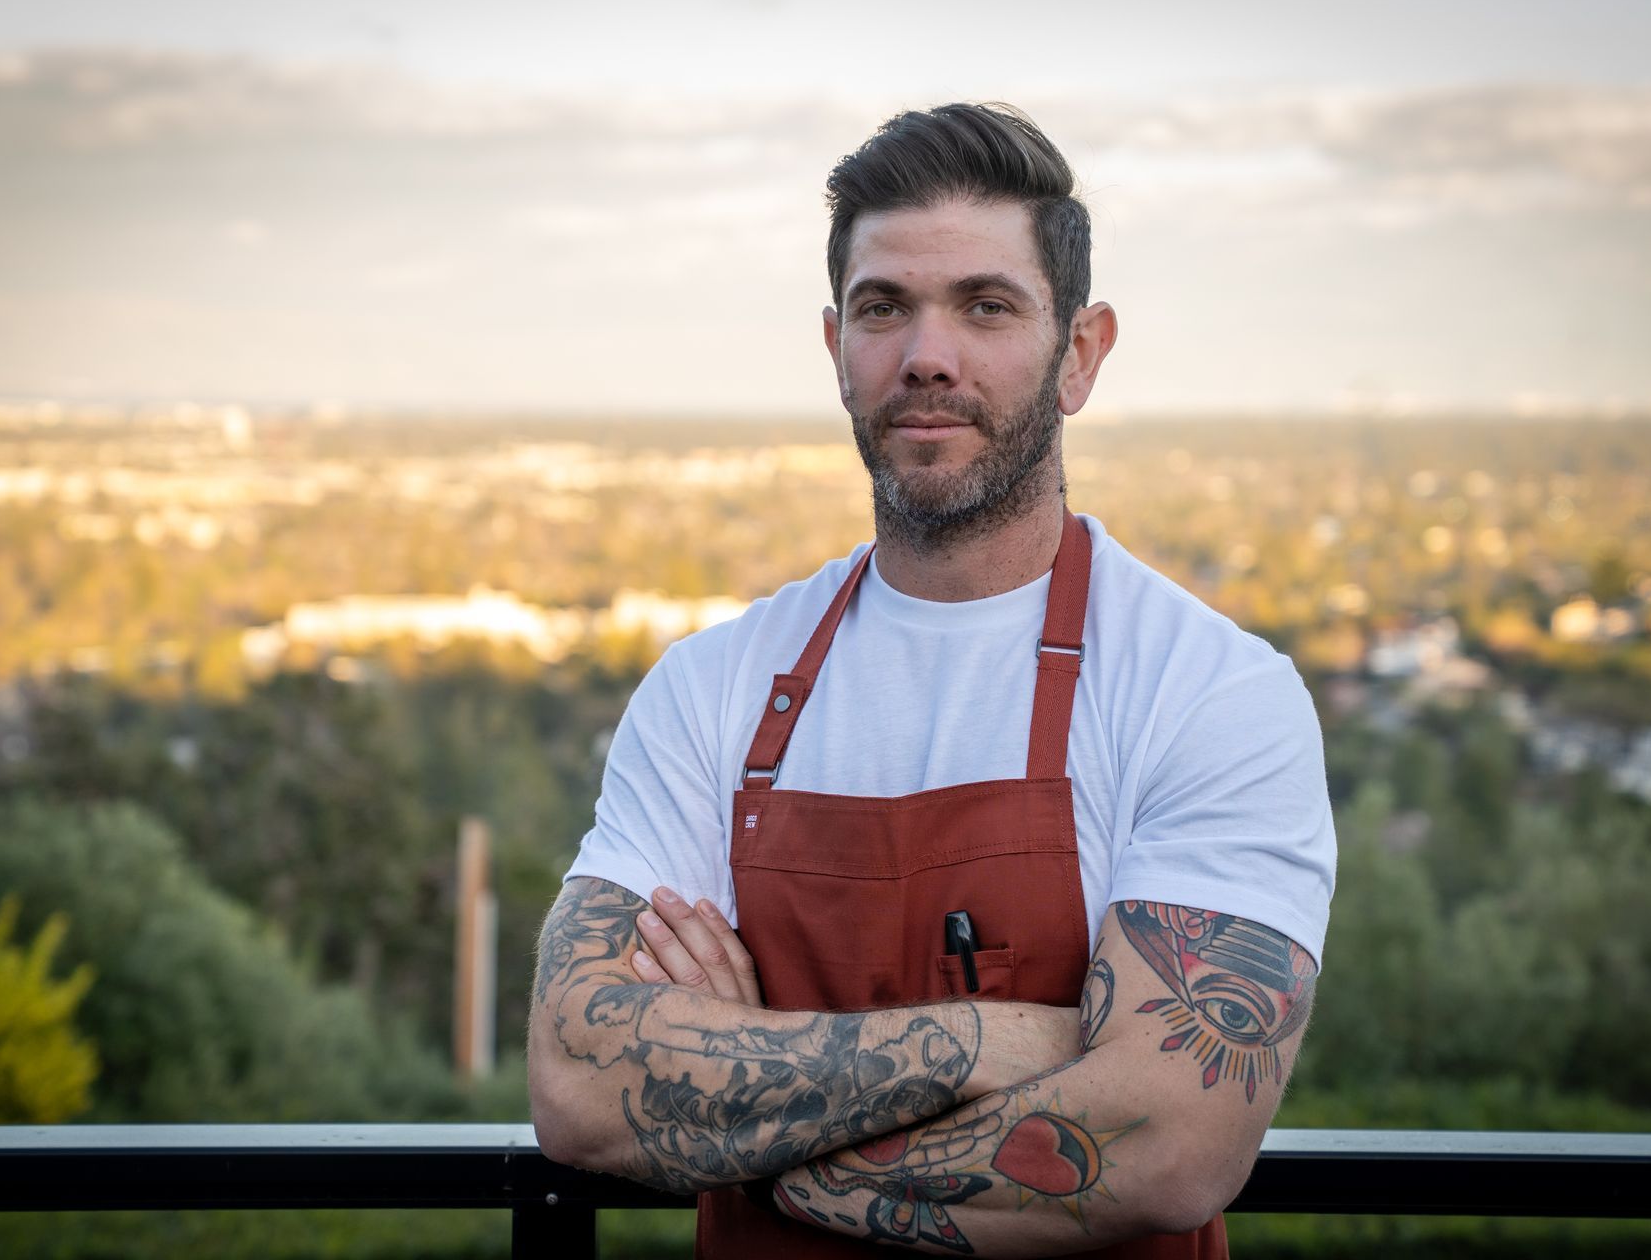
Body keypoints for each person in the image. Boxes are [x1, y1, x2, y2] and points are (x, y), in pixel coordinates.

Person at [527, 102, 1335, 1259]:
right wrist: (992, 1041)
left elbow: (1169, 1145)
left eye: (987, 305)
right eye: (883, 307)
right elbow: (580, 1085)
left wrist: (751, 1116)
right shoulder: (709, 686)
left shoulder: (1209, 692)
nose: (927, 356)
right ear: (835, 347)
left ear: (1082, 353)